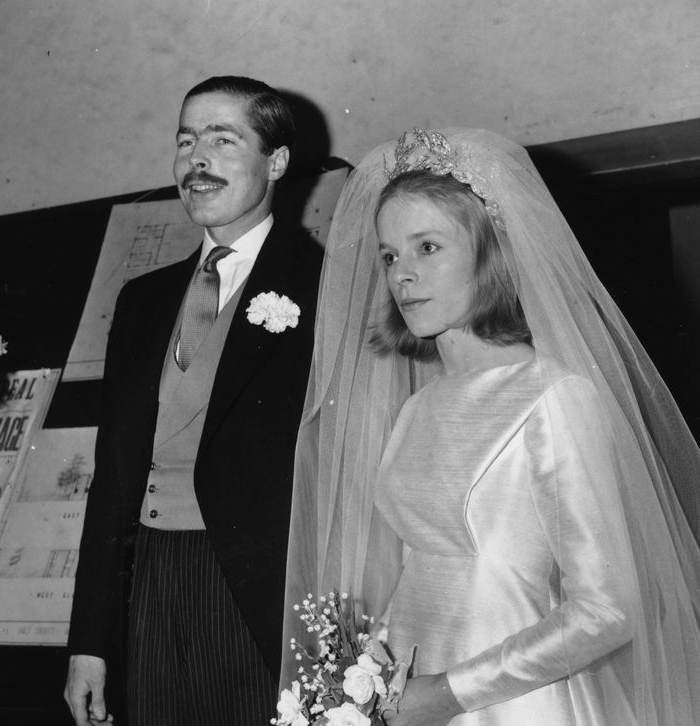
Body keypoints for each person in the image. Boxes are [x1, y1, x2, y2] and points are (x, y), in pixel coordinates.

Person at [282, 128, 700, 725]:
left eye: (428, 247)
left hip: (511, 701)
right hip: (407, 695)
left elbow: (610, 609)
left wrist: (447, 695)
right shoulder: (417, 408)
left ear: (489, 253)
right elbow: (417, 573)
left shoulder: (555, 394)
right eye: (390, 254)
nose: (401, 274)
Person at [64, 76, 323, 726]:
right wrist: (89, 643)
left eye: (221, 139)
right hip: (152, 587)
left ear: (278, 160)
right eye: (185, 142)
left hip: (262, 596)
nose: (195, 160)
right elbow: (113, 483)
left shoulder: (324, 285)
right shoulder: (142, 301)